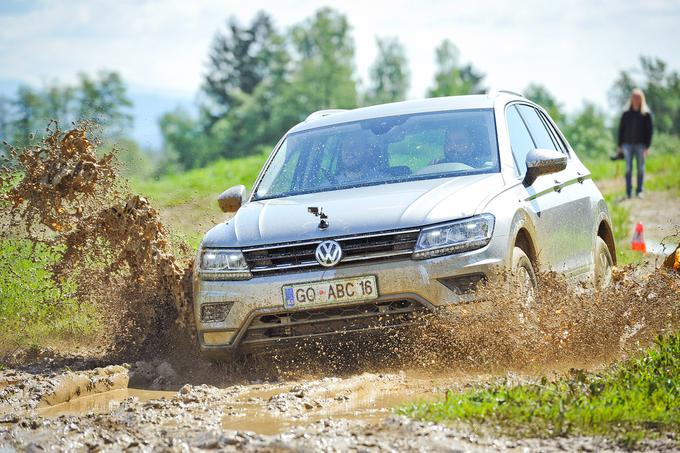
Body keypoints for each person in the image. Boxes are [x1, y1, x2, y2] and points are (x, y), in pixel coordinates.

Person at [617, 88, 653, 199]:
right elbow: (621, 130)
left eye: (638, 97)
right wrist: (619, 146)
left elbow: (649, 131)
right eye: (634, 97)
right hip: (627, 145)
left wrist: (647, 146)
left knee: (640, 168)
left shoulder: (646, 114)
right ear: (631, 99)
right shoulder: (626, 113)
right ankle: (628, 192)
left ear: (642, 99)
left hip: (641, 145)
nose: (636, 99)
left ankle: (639, 191)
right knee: (628, 168)